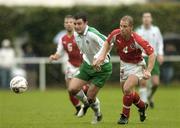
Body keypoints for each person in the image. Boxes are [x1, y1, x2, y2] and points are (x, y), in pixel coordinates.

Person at [93, 15, 155, 124]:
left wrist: (149, 70)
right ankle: (142, 106)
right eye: (121, 26)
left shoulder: (137, 39)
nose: (122, 28)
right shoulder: (115, 34)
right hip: (124, 65)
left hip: (137, 66)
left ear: (131, 27)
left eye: (125, 26)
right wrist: (102, 56)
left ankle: (124, 117)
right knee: (127, 93)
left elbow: (152, 54)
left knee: (127, 89)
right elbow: (107, 42)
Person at [68, 12, 112, 124]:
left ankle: (97, 114)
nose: (77, 26)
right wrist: (86, 59)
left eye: (79, 24)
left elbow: (109, 43)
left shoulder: (92, 33)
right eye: (75, 24)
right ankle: (86, 104)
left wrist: (99, 58)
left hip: (102, 68)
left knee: (90, 97)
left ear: (86, 23)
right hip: (87, 65)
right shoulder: (75, 34)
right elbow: (84, 49)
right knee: (72, 89)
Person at [49, 15, 88, 115]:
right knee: (70, 90)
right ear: (64, 24)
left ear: (74, 24)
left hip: (82, 65)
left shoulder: (80, 35)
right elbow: (59, 53)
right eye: (66, 22)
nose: (69, 24)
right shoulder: (63, 39)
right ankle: (78, 108)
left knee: (81, 88)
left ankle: (88, 102)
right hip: (71, 65)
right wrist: (54, 56)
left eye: (71, 22)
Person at [136, 12, 164, 108]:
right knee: (143, 82)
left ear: (151, 19)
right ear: (142, 19)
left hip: (153, 57)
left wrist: (160, 54)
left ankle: (150, 96)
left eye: (148, 17)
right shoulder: (138, 31)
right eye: (144, 17)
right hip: (142, 57)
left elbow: (160, 42)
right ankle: (143, 105)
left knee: (156, 83)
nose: (146, 19)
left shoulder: (156, 30)